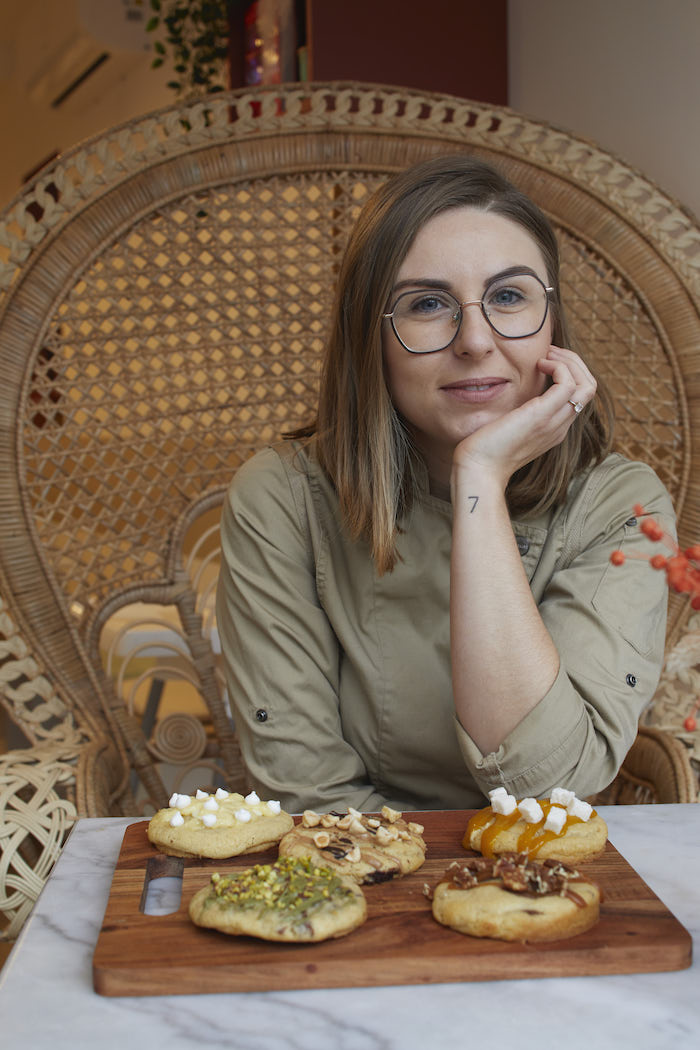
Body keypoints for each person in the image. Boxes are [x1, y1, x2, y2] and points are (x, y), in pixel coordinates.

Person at [216, 154, 675, 813]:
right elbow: (307, 791)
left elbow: (553, 788)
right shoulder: (283, 499)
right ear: (367, 336)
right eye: (428, 304)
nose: (476, 341)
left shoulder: (621, 504)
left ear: (552, 320)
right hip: (356, 872)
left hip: (548, 875)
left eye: (510, 296)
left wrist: (480, 481)